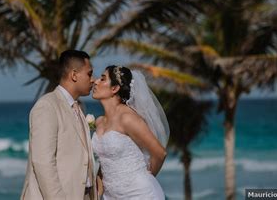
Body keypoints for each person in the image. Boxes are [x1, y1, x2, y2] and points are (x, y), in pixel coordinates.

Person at [21, 50, 97, 200]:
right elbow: (43, 162)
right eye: (89, 74)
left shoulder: (77, 108)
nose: (93, 80)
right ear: (74, 75)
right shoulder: (47, 106)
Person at [92, 65, 169, 199]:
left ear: (114, 88)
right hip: (111, 196)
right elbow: (105, 160)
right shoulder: (99, 122)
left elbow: (160, 153)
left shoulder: (127, 118)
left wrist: (147, 177)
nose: (95, 81)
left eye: (102, 79)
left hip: (139, 194)